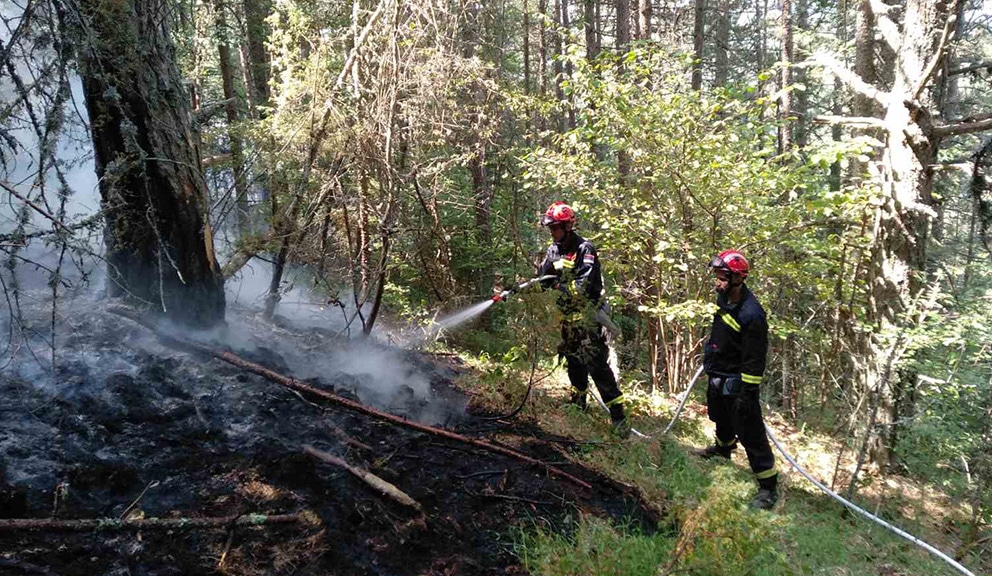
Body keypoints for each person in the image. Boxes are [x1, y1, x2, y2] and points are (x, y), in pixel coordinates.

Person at [695, 249, 779, 510]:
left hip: (739, 380)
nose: (717, 282)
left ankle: (767, 486)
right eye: (717, 276)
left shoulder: (752, 314)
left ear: (737, 278)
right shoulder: (725, 299)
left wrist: (747, 392)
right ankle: (722, 449)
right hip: (719, 372)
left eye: (722, 277)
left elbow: (755, 358)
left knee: (750, 430)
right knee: (719, 415)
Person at [536, 201, 628, 437]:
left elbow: (583, 286)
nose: (552, 232)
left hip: (588, 318)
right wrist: (550, 281)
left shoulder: (584, 249)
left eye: (555, 227)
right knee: (573, 361)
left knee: (597, 365)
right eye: (550, 228)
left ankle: (618, 417)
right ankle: (578, 403)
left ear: (567, 226)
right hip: (568, 317)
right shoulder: (553, 250)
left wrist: (558, 284)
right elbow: (543, 279)